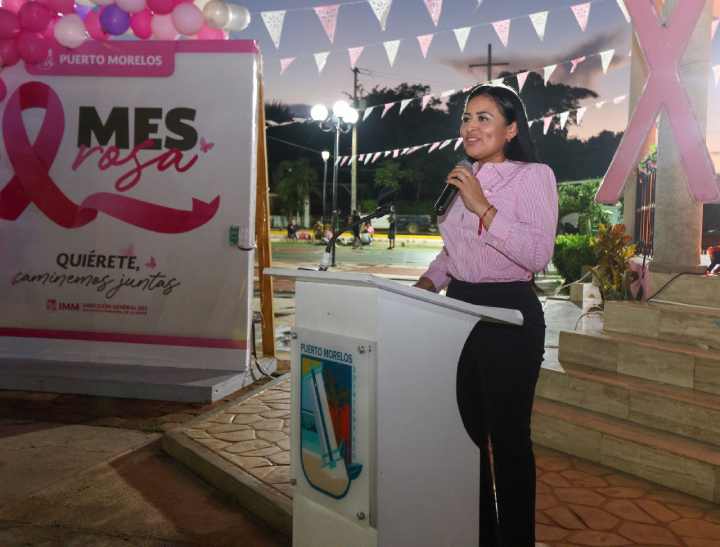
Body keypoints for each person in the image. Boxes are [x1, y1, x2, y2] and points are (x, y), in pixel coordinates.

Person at [415, 83, 558, 546]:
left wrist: (483, 207)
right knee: (467, 437)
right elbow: (453, 250)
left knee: (509, 439)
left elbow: (537, 255)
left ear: (511, 129)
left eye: (483, 118)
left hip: (508, 314)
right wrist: (430, 280)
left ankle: (516, 540)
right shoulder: (461, 176)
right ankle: (479, 535)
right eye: (466, 117)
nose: (470, 127)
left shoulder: (533, 176)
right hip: (457, 311)